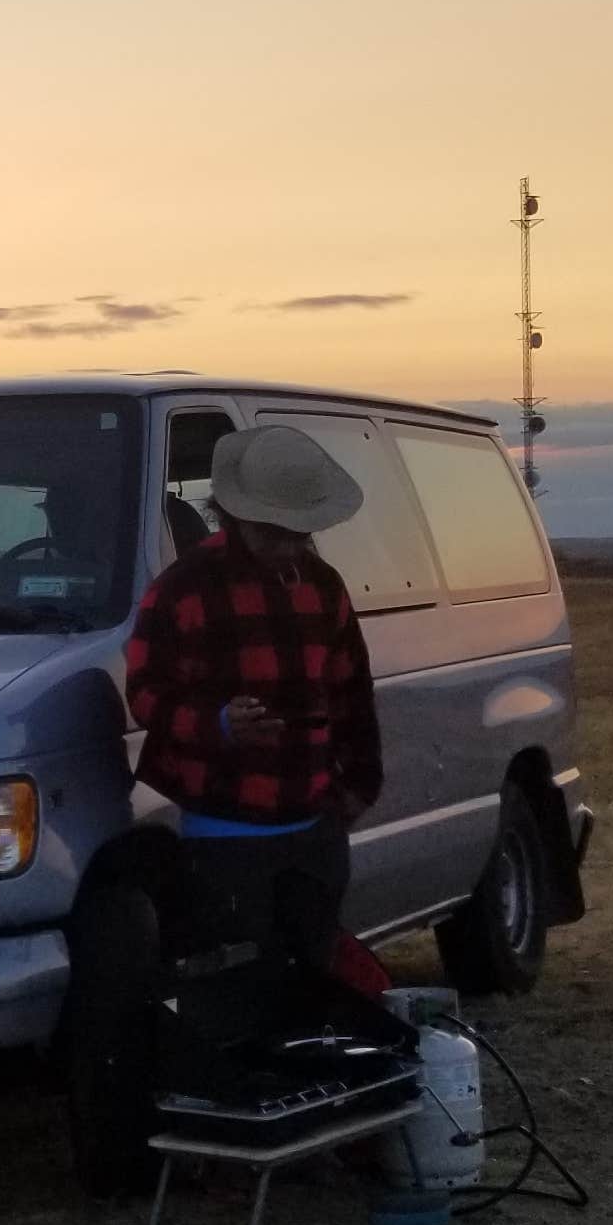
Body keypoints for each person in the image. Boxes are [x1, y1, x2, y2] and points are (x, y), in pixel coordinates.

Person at [120, 423, 389, 1047]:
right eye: (276, 532)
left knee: (315, 993)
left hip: (314, 836)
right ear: (233, 516)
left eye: (299, 532)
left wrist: (356, 791)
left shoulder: (325, 590)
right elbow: (145, 696)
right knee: (235, 1001)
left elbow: (353, 697)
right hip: (224, 844)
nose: (290, 547)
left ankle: (311, 1121)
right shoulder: (181, 594)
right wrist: (218, 724)